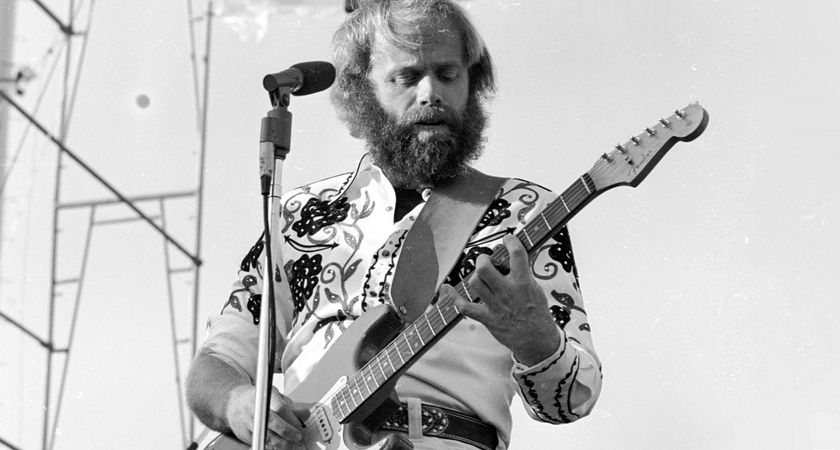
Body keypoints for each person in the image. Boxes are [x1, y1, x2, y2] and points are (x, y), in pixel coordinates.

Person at [186, 1, 602, 449]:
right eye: (406, 77)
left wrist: (534, 337)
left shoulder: (525, 213)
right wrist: (238, 402)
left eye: (448, 74)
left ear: (473, 84)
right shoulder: (298, 215)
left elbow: (572, 400)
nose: (431, 94)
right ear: (360, 92)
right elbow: (217, 361)